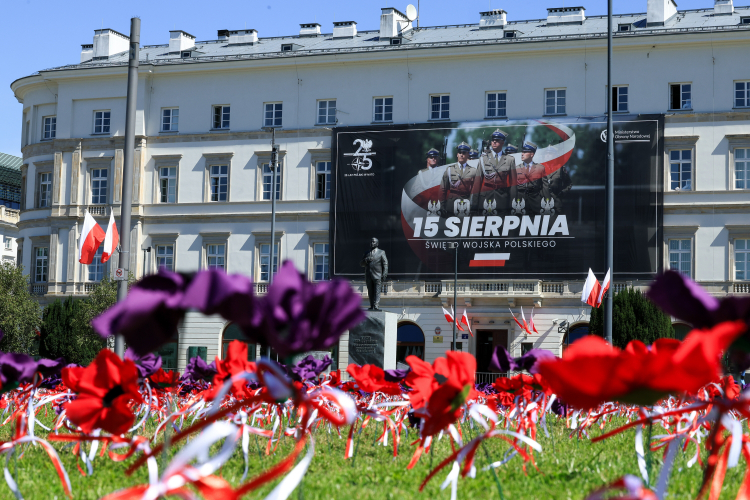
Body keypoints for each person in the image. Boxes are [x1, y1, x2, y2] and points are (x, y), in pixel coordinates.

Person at [473, 129, 517, 216]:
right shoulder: (483, 159)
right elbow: (477, 182)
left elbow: (513, 184)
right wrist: (474, 204)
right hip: (485, 198)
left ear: (502, 142)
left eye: (497, 140)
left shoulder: (509, 159)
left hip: (502, 197)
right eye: (493, 140)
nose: (494, 142)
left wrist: (513, 204)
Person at [440, 142, 477, 217]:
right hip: (451, 204)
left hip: (466, 203)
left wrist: (473, 206)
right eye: (460, 152)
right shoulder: (450, 170)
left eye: (464, 153)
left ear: (468, 155)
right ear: (457, 154)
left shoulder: (473, 171)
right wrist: (442, 206)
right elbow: (442, 189)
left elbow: (475, 191)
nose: (461, 155)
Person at [516, 141, 550, 215]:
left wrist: (547, 202)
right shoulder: (516, 168)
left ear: (532, 154)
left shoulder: (540, 168)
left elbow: (545, 186)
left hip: (536, 202)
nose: (522, 154)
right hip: (520, 202)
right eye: (522, 152)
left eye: (525, 152)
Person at [360, 237, 388, 311]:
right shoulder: (366, 253)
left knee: (377, 291)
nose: (371, 243)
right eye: (371, 242)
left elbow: (385, 264)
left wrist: (384, 274)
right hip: (368, 275)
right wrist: (366, 260)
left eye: (373, 242)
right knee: (370, 291)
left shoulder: (381, 252)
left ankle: (376, 306)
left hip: (378, 275)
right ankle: (372, 305)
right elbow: (361, 264)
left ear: (377, 243)